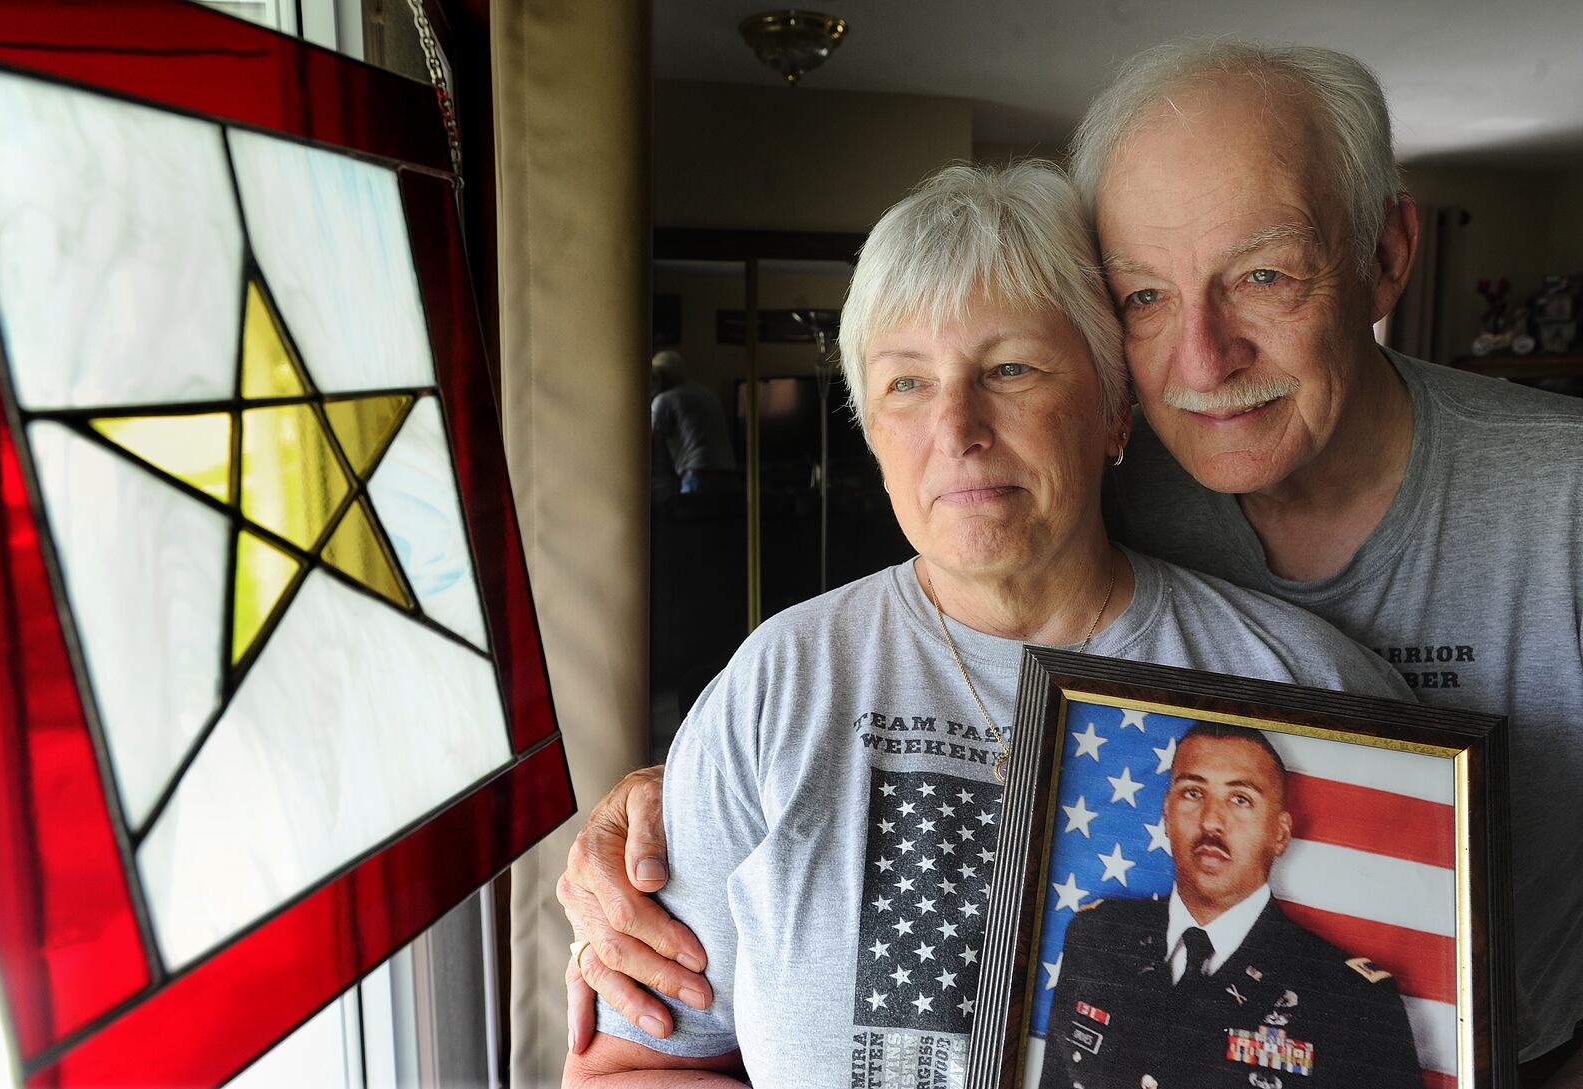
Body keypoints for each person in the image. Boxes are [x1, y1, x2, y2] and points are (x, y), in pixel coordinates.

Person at [559, 40, 1583, 1085]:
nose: (1205, 359)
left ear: (1108, 410)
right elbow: (642, 1051)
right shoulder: (787, 679)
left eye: (1010, 369)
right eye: (905, 384)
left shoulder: (1460, 575)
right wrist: (677, 792)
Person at [1041, 723, 1420, 1089]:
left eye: (1240, 799)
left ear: (1280, 833)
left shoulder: (1350, 998)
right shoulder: (1099, 936)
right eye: (1192, 792)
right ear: (1166, 814)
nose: (1211, 821)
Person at [649, 349, 738, 494]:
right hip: (728, 471)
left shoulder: (665, 400)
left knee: (692, 515)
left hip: (697, 472)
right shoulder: (707, 393)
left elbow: (651, 445)